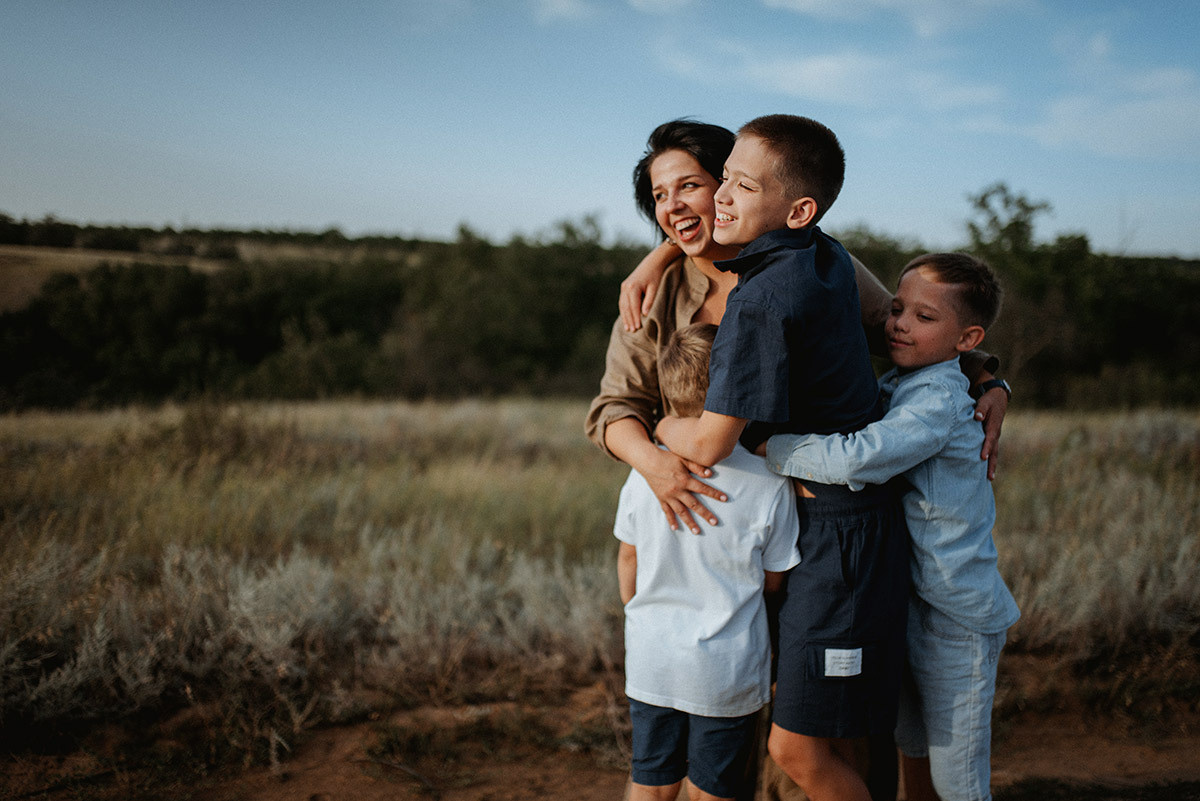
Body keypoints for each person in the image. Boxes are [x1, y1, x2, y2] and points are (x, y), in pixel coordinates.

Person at [653, 114, 908, 801]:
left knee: (796, 745)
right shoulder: (822, 254)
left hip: (836, 538)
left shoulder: (760, 299)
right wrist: (656, 255)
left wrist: (663, 429)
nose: (721, 198)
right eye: (724, 180)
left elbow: (709, 440)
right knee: (833, 729)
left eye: (741, 185)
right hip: (836, 525)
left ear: (798, 209)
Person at [762, 253, 1021, 801]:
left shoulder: (939, 399)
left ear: (967, 338)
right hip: (908, 598)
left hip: (957, 611)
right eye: (897, 308)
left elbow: (861, 458)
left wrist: (772, 448)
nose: (900, 323)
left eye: (925, 318)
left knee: (959, 773)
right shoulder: (900, 382)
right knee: (913, 740)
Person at [617, 322, 802, 801]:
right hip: (727, 666)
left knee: (650, 781)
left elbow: (628, 559)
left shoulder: (644, 476)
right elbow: (775, 579)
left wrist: (641, 616)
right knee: (712, 789)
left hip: (652, 657)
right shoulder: (768, 481)